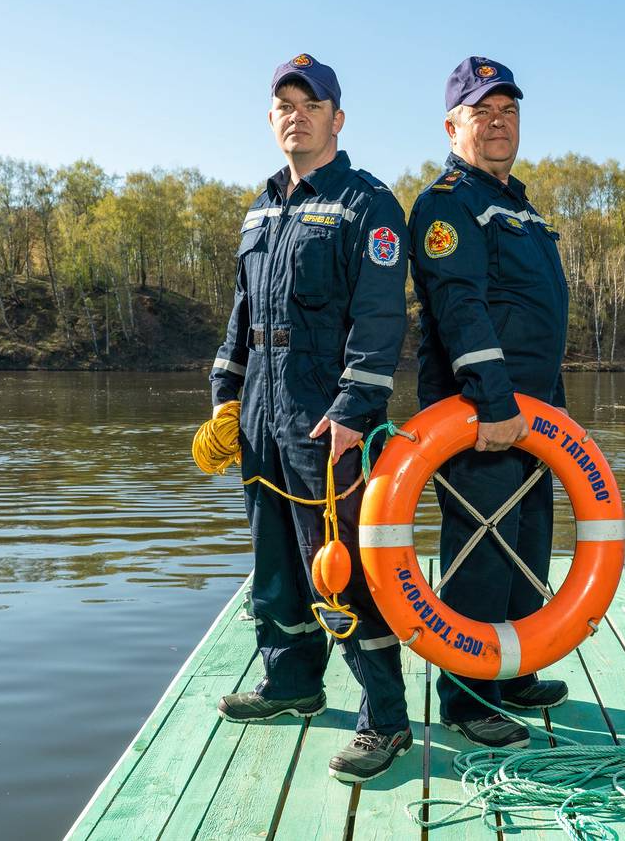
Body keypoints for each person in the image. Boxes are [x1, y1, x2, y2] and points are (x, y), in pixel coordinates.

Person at [210, 53, 411, 783]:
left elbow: (382, 316)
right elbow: (242, 314)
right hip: (261, 403)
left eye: (309, 103)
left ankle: (384, 716)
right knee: (275, 561)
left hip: (328, 413)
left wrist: (356, 406)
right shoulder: (260, 207)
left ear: (337, 118)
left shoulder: (368, 204)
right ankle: (292, 680)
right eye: (283, 105)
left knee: (345, 566)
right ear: (272, 120)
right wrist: (224, 394)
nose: (295, 114)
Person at [408, 56, 570, 748]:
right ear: (453, 125)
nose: (498, 122)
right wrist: (494, 403)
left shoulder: (520, 206)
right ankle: (468, 695)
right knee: (480, 550)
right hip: (480, 414)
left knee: (530, 541)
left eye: (508, 111)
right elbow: (460, 308)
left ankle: (511, 673)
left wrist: (555, 416)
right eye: (482, 111)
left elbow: (538, 319)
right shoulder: (449, 202)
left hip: (535, 414)